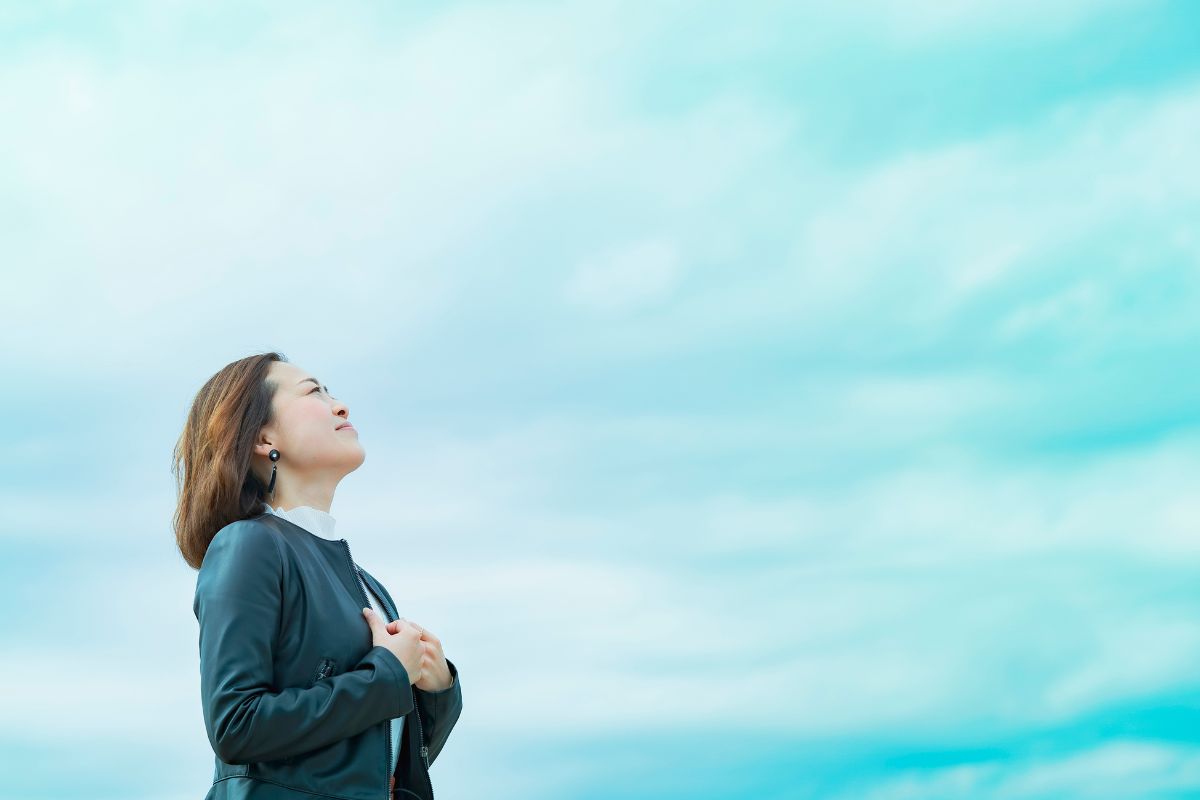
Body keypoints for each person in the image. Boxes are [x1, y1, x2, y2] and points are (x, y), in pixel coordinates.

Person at [173, 351, 462, 800]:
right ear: (262, 435)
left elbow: (369, 758)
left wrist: (436, 685)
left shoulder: (366, 583)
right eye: (314, 391)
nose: (341, 405)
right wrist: (387, 673)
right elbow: (235, 725)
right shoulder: (249, 544)